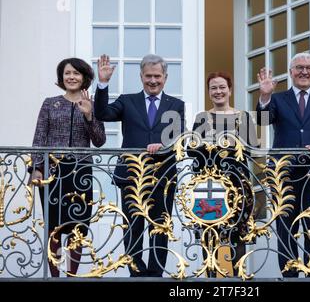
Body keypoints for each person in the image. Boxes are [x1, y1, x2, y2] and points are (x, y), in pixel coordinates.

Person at [94, 54, 185, 277]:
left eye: (157, 76)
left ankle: (155, 273)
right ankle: (136, 272)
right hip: (132, 173)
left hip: (163, 174)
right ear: (141, 76)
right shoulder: (127, 101)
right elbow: (102, 113)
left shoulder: (176, 104)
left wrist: (162, 144)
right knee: (132, 224)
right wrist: (103, 83)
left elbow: (177, 137)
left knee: (160, 226)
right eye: (148, 76)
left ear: (165, 77)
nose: (152, 81)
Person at [255, 52, 310, 277]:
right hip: (284, 174)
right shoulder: (279, 98)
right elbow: (263, 122)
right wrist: (264, 96)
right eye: (299, 67)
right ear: (291, 72)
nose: (304, 72)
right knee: (286, 229)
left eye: (309, 68)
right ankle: (290, 277)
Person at [30, 57, 106, 277]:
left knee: (78, 228)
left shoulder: (91, 104)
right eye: (67, 73)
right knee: (54, 228)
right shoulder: (49, 103)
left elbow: (99, 140)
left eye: (76, 73)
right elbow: (39, 138)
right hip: (52, 172)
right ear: (61, 78)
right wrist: (36, 168)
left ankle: (71, 276)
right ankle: (54, 277)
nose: (71, 77)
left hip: (80, 172)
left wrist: (89, 115)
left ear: (84, 77)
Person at [189, 72, 259, 276]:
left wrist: (226, 143)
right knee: (208, 235)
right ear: (209, 92)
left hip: (237, 185)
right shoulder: (202, 118)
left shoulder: (243, 117)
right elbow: (191, 150)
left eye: (222, 87)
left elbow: (251, 149)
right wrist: (212, 144)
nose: (218, 91)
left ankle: (239, 278)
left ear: (230, 90)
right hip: (208, 184)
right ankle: (210, 278)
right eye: (213, 88)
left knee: (237, 234)